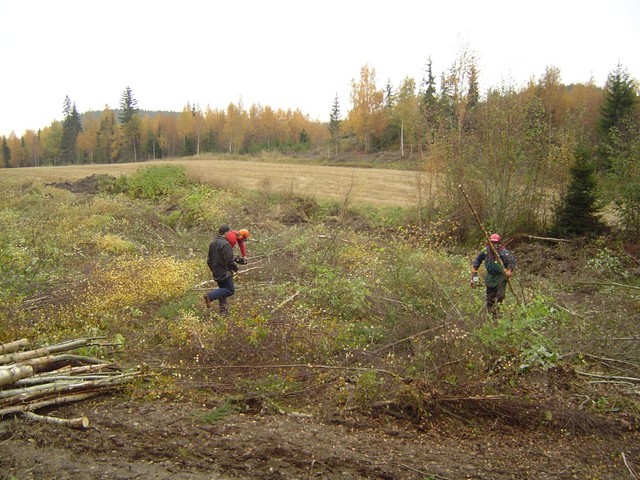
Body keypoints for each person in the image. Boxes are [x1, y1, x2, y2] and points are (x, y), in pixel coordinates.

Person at [471, 233, 516, 316]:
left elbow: (512, 261)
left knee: (500, 296)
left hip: (501, 277)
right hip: (490, 277)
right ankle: (491, 315)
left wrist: (509, 270)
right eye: (492, 242)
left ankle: (499, 311)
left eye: (496, 243)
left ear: (499, 243)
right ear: (489, 243)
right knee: (490, 298)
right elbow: (478, 259)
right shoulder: (485, 251)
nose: (494, 245)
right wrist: (475, 268)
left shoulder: (504, 252)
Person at [204, 224, 238, 315]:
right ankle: (210, 296)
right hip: (224, 272)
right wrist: (235, 269)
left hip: (216, 271)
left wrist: (213, 269)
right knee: (230, 290)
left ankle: (224, 313)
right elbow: (229, 260)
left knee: (222, 291)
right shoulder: (226, 244)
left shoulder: (212, 243)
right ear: (226, 233)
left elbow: (208, 260)